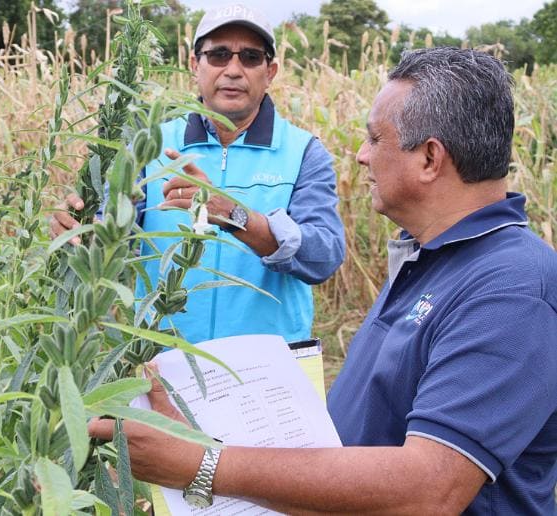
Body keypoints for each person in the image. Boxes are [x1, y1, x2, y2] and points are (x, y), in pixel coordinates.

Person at [89, 47, 557, 514]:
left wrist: (204, 464)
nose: (360, 156)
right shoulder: (430, 256)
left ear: (430, 158)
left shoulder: (511, 288)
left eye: (375, 139)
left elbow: (427, 490)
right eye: (216, 54)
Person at [51, 3, 345, 344]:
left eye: (250, 57)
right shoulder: (150, 145)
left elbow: (323, 256)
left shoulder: (304, 152)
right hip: (166, 362)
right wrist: (78, 229)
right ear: (195, 65)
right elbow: (111, 238)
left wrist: (233, 215)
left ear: (271, 71)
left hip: (270, 369)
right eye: (218, 55)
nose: (233, 70)